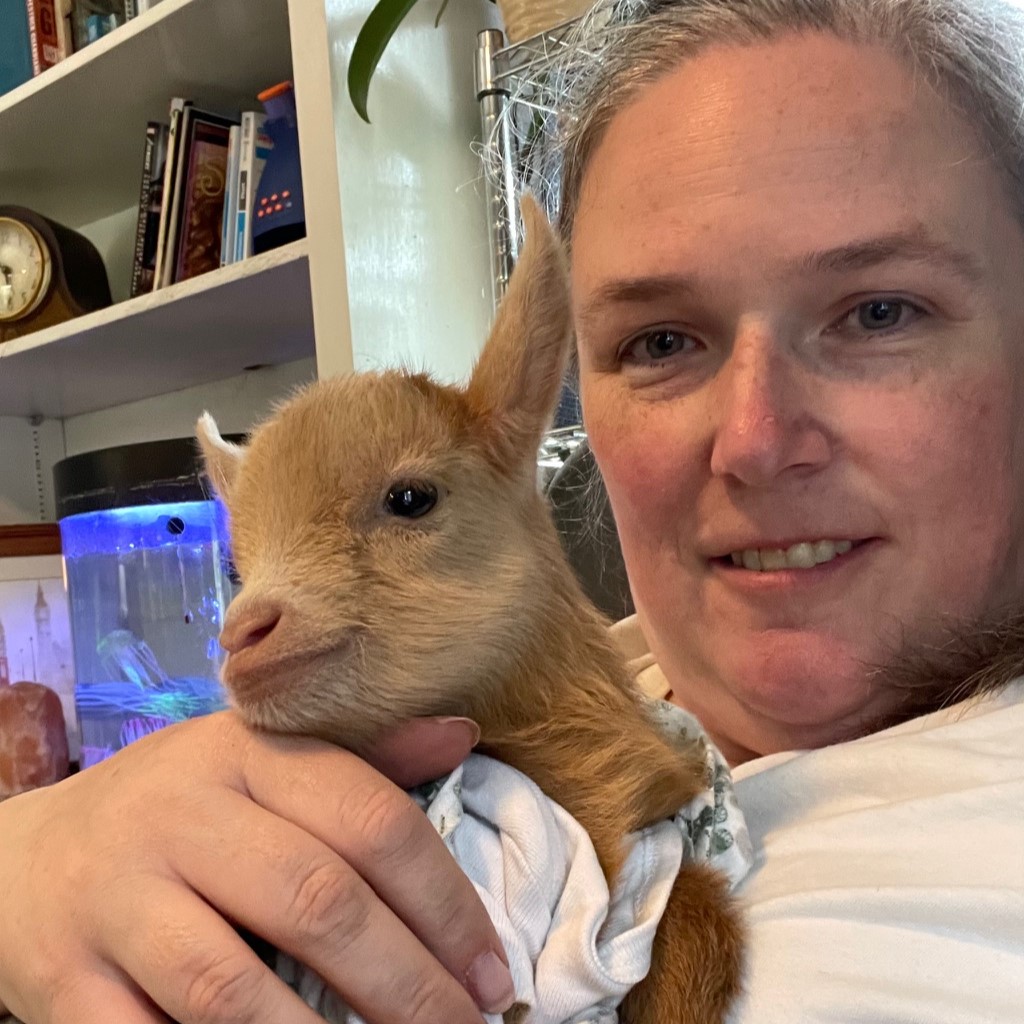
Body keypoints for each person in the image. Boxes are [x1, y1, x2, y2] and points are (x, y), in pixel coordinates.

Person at [3, 0, 1024, 1020]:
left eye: (881, 312)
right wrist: (38, 857)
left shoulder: (945, 885)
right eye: (659, 342)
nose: (754, 441)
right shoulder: (629, 676)